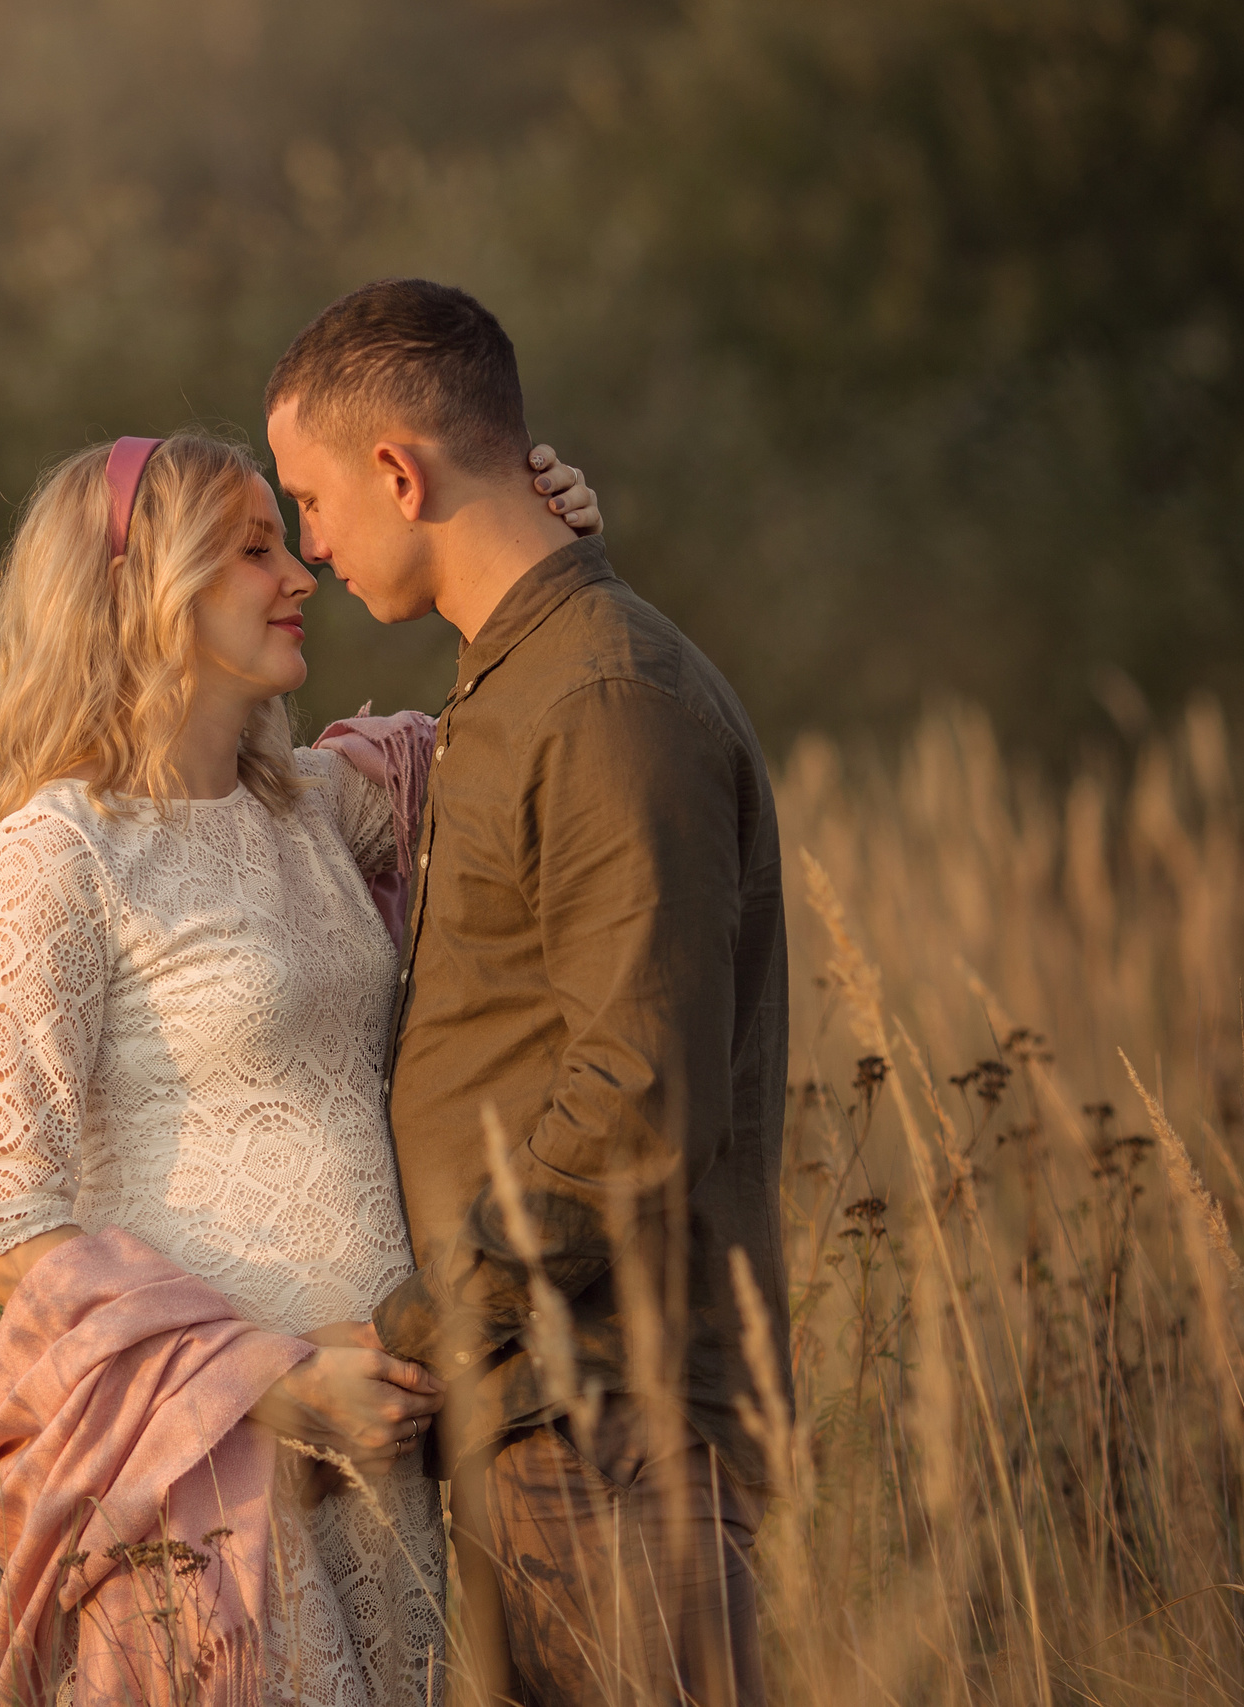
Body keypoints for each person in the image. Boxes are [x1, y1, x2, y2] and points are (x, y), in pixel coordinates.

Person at [0, 428, 600, 1706]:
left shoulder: (315, 805)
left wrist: (539, 555)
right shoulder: (57, 853)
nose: (299, 570)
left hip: (392, 1454)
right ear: (139, 589)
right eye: (251, 549)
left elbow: (518, 739)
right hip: (217, 1467)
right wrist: (283, 1382)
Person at [266, 279, 790, 1707]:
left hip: (603, 1417)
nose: (307, 546)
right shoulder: (517, 683)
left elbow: (638, 1098)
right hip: (530, 1421)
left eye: (309, 499)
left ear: (398, 470)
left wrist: (429, 1312)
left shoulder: (608, 700)